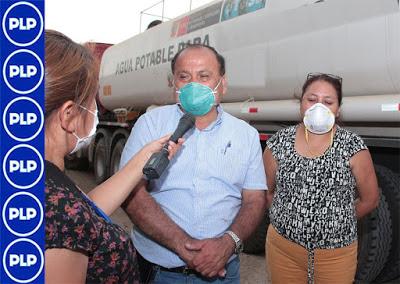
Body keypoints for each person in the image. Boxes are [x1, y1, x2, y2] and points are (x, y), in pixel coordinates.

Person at [120, 44, 267, 283]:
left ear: (223, 84)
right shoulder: (150, 124)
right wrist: (183, 246)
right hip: (158, 272)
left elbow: (254, 199)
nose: (193, 85)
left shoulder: (245, 135)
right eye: (184, 77)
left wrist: (228, 243)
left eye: (204, 76)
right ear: (173, 84)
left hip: (224, 272)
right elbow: (131, 194)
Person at [44, 30, 182, 283]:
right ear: (68, 115)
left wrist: (141, 160)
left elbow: (87, 209)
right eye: (91, 100)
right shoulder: (60, 210)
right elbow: (72, 218)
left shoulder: (40, 177)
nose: (96, 109)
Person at [263, 73, 379, 284]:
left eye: (328, 102)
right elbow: (268, 192)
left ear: (338, 108)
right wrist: (287, 218)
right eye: (312, 99)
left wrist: (338, 221)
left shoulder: (353, 146)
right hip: (283, 250)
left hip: (336, 255)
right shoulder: (278, 143)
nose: (319, 107)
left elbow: (370, 199)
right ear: (301, 104)